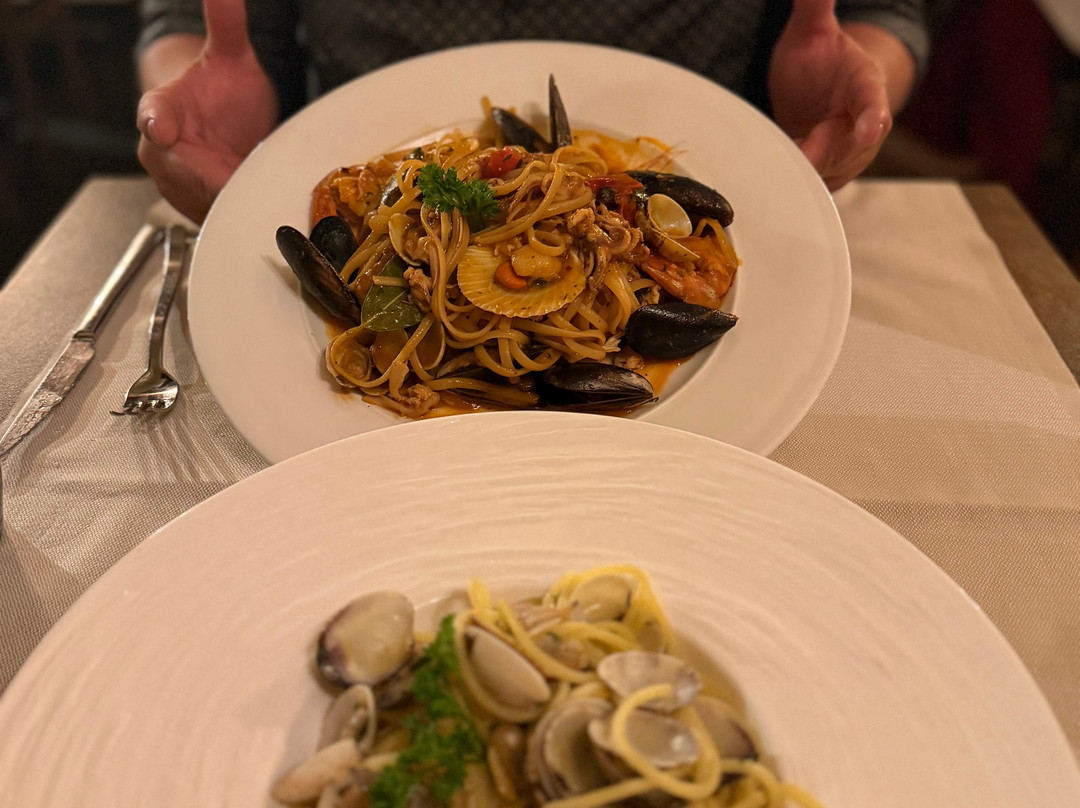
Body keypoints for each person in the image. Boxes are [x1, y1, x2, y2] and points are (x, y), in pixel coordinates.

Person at [135, 0, 927, 224]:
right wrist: (196, 85)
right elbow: (200, 23)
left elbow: (879, 11)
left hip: (697, 191)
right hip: (378, 184)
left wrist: (859, 71)